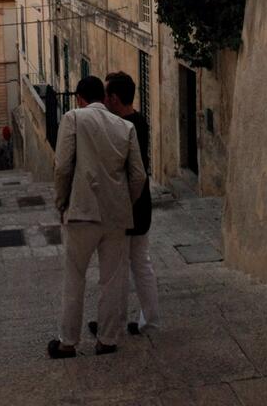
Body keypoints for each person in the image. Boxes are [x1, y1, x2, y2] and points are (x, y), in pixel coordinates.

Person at [47, 75, 146, 359]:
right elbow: (138, 175)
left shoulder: (73, 118)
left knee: (74, 277)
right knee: (112, 280)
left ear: (79, 98)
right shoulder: (125, 126)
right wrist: (126, 202)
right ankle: (107, 339)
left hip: (82, 212)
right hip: (116, 215)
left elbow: (62, 166)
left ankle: (68, 342)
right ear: (104, 98)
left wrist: (62, 202)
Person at [102, 71, 159, 335]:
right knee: (139, 262)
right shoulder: (140, 122)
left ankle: (119, 321)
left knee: (122, 266)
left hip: (129, 205)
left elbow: (130, 172)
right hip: (142, 205)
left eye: (106, 95)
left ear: (114, 98)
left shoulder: (125, 128)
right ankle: (147, 318)